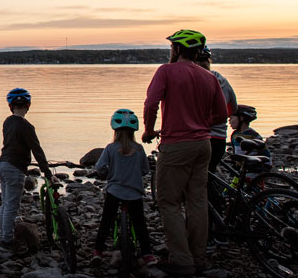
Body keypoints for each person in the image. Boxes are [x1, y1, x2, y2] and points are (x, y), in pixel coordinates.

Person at [142, 29, 228, 276]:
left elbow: (151, 104)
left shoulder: (166, 71)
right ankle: (198, 258)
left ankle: (181, 260)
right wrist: (200, 122)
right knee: (197, 201)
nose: (170, 51)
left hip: (176, 144)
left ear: (178, 49)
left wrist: (148, 130)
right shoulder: (208, 77)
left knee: (168, 202)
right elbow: (221, 115)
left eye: (171, 47)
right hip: (203, 144)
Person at [92, 109, 158, 267]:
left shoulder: (110, 148)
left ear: (115, 129)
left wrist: (108, 173)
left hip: (114, 191)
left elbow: (99, 168)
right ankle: (147, 254)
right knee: (139, 223)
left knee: (106, 222)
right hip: (134, 193)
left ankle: (98, 252)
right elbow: (145, 170)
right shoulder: (140, 149)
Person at [0, 87, 53, 252]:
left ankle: (2, 235)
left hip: (2, 165)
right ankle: (7, 241)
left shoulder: (7, 122)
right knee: (12, 205)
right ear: (28, 105)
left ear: (10, 105)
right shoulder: (27, 126)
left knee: (5, 203)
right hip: (14, 168)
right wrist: (47, 173)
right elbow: (37, 150)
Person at [195, 46, 237, 172]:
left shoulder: (193, 81)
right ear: (209, 61)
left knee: (196, 178)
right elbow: (233, 109)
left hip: (199, 138)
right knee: (209, 173)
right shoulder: (222, 80)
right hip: (219, 138)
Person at [229, 104, 272, 173]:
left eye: (231, 118)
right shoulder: (234, 134)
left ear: (241, 118)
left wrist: (267, 166)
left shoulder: (253, 135)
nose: (229, 120)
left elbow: (264, 151)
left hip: (254, 169)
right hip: (241, 168)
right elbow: (235, 151)